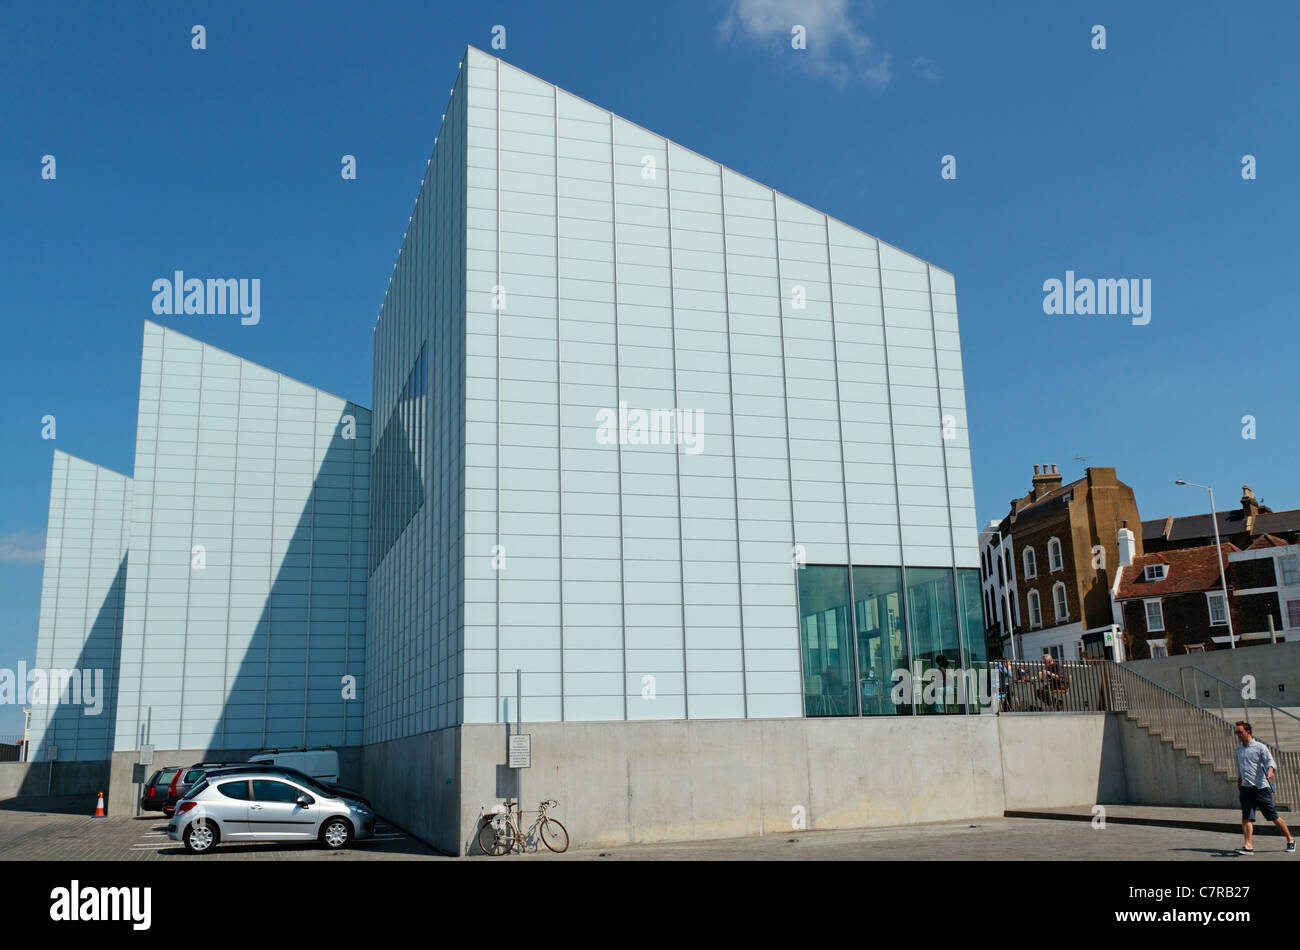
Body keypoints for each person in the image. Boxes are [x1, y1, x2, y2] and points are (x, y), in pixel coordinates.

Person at [1234, 721, 1295, 854]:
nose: (1237, 734)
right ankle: (1248, 846)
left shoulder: (1260, 747)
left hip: (1261, 788)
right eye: (1236, 732)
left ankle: (1290, 839)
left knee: (1273, 816)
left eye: (1240, 732)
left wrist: (1270, 771)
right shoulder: (1238, 750)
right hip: (1246, 789)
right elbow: (1239, 769)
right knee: (1246, 817)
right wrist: (1239, 783)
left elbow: (1270, 762)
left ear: (1248, 732)